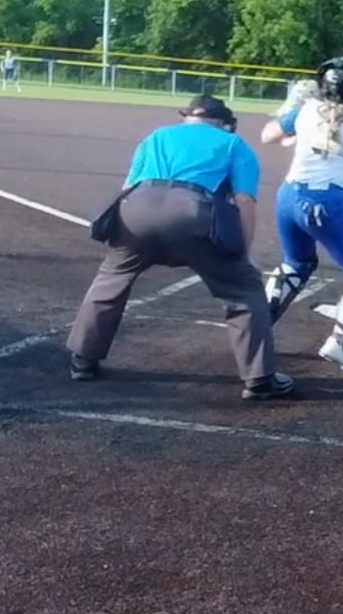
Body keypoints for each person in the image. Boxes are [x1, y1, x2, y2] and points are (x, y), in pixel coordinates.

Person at [65, 95, 292, 399]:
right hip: (191, 213)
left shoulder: (157, 136)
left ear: (187, 117)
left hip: (137, 209)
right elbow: (244, 201)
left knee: (110, 280)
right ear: (225, 123)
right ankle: (260, 378)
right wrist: (243, 254)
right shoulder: (233, 145)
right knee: (243, 289)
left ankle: (82, 360)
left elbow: (127, 188)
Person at [259, 59, 343, 375]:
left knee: (297, 263)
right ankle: (339, 345)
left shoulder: (307, 111)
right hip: (324, 204)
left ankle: (256, 328)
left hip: (288, 197)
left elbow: (268, 135)